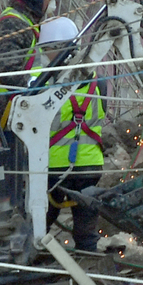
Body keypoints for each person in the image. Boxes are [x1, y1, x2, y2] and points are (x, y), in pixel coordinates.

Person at [37, 17, 105, 252]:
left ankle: (30, 271)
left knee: (38, 227)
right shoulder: (97, 80)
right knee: (86, 233)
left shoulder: (41, 80)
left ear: (58, 48)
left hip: (53, 168)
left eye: (46, 49)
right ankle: (89, 275)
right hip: (90, 167)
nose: (45, 55)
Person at [0, 0, 60, 122]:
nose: (52, 3)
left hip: (21, 108)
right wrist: (38, 92)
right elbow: (8, 70)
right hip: (12, 110)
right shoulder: (13, 24)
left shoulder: (27, 22)